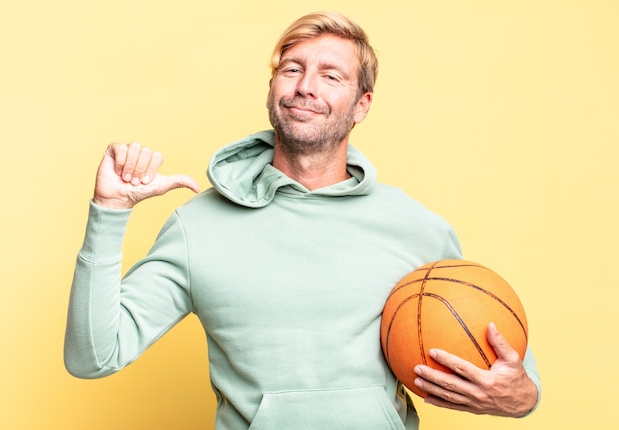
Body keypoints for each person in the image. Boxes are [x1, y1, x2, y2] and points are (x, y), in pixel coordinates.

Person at [64, 11, 541, 429]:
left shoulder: (416, 226)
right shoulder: (199, 226)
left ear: (362, 105)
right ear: (272, 89)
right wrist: (110, 212)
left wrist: (521, 395)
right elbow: (92, 358)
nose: (306, 86)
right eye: (292, 69)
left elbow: (514, 374)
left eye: (331, 76)